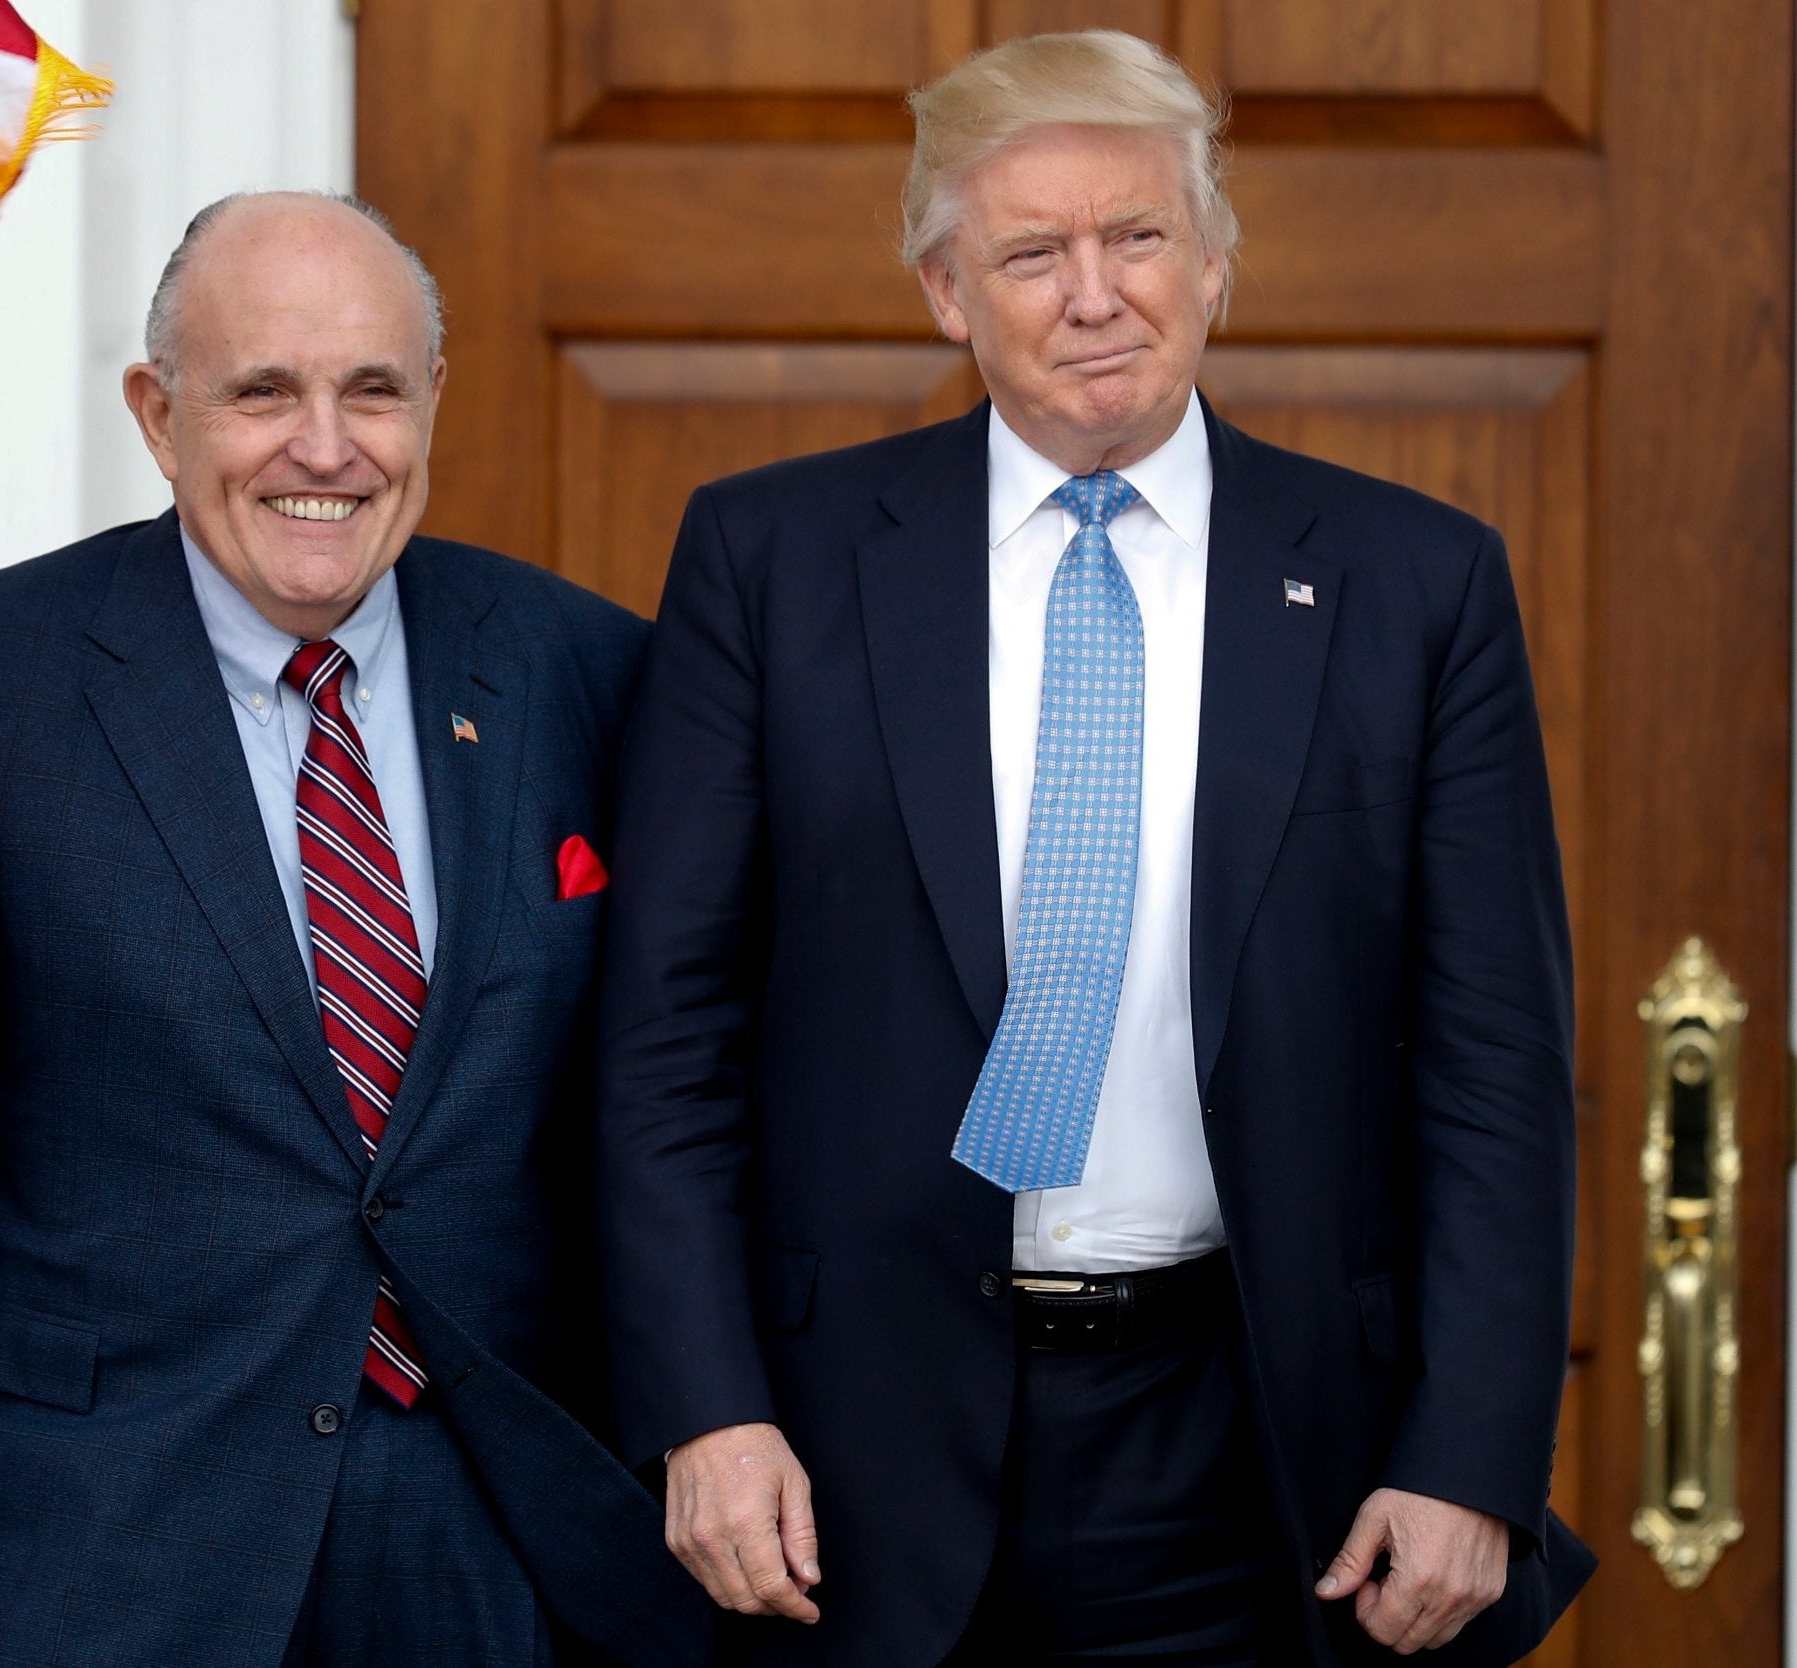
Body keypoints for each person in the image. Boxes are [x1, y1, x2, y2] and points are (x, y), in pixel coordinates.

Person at [595, 30, 1594, 1668]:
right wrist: (703, 1412)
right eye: (1028, 253)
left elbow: (1492, 1058)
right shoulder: (767, 561)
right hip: (844, 1449)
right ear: (943, 293)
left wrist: (1468, 1456)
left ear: (1211, 262)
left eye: (1135, 237)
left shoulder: (1417, 587)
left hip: (1253, 1438)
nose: (1092, 294)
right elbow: (664, 1039)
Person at [0, 191, 706, 1668]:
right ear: (157, 412)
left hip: (507, 1540)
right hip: (105, 1542)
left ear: (431, 402)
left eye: (371, 391)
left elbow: (685, 1088)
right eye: (262, 391)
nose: (323, 449)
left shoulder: (589, 671)